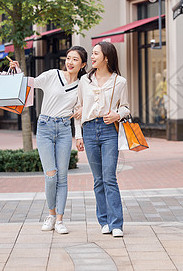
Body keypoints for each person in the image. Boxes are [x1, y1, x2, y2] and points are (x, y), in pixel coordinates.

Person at [9, 46, 87, 234]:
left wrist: (79, 135)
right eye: (68, 58)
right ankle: (51, 215)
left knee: (62, 177)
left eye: (75, 59)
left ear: (83, 64)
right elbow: (31, 83)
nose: (70, 62)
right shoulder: (53, 75)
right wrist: (17, 70)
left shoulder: (83, 85)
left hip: (63, 130)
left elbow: (78, 111)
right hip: (45, 127)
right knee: (50, 176)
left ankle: (59, 219)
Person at [75, 41, 130, 238]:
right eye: (92, 53)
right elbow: (78, 109)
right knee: (98, 180)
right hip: (89, 130)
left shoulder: (119, 81)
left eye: (96, 54)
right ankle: (104, 221)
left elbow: (126, 107)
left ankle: (116, 224)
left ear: (106, 57)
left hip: (109, 131)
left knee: (109, 178)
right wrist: (78, 135)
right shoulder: (84, 81)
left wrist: (117, 114)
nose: (92, 57)